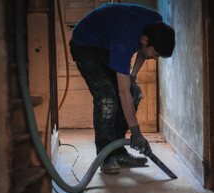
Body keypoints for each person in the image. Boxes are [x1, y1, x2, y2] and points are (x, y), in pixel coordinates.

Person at [69, 3, 175, 174]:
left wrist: (132, 78)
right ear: (145, 40)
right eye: (156, 54)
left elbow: (143, 52)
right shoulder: (123, 41)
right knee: (107, 98)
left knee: (135, 93)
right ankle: (106, 156)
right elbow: (123, 92)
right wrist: (136, 132)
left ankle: (118, 151)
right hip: (85, 44)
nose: (156, 58)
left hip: (107, 42)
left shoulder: (156, 24)